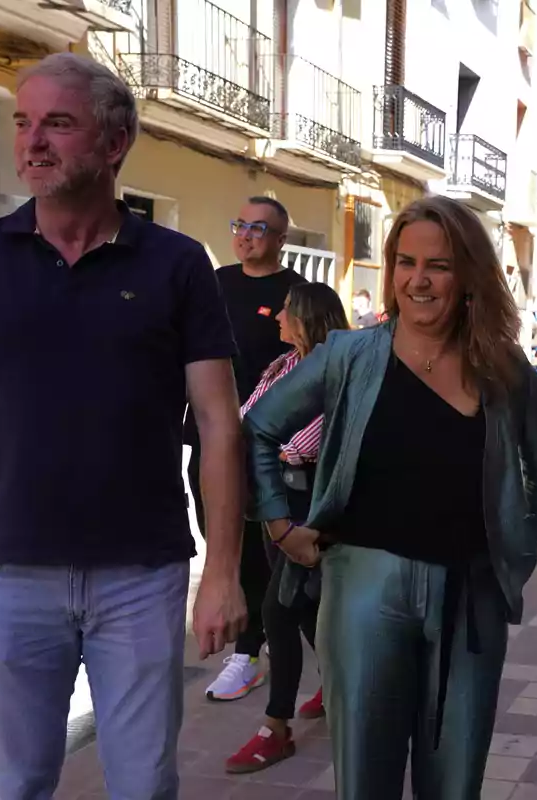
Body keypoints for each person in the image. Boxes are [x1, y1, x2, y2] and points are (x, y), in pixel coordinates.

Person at [0, 52, 246, 798]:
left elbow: (220, 425)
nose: (31, 142)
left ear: (115, 142)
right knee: (16, 782)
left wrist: (222, 568)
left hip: (141, 576)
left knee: (143, 784)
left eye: (57, 124)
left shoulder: (177, 263)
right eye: (24, 122)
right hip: (5, 575)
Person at [242, 195, 537, 799]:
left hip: (471, 600)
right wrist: (280, 524)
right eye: (404, 261)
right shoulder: (350, 355)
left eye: (438, 265)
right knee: (366, 778)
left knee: (455, 782)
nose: (418, 280)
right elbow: (258, 428)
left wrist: (519, 550)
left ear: (468, 274)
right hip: (365, 591)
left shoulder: (506, 370)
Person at [225, 282, 350, 773]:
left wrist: (267, 442)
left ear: (307, 318)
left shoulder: (337, 370)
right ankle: (340, 681)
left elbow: (305, 442)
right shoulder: (282, 366)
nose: (277, 316)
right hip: (273, 500)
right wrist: (261, 440)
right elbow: (246, 419)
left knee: (278, 610)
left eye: (285, 310)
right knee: (301, 609)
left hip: (308, 504)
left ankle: (275, 728)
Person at [190, 197, 308, 702]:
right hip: (210, 435)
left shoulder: (296, 293)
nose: (246, 235)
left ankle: (251, 651)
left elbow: (313, 362)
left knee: (266, 549)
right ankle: (263, 644)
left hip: (270, 444)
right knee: (219, 535)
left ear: (281, 239)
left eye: (260, 228)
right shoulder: (215, 283)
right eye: (240, 224)